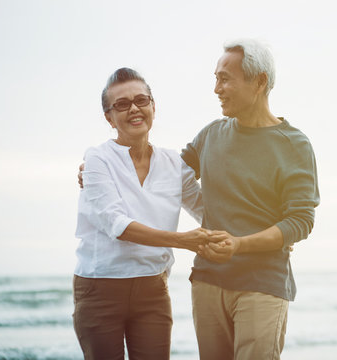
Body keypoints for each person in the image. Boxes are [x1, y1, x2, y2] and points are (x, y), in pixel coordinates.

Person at [182, 39, 320, 360]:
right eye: (216, 78)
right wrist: (107, 164)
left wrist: (239, 245)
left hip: (262, 284)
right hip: (207, 280)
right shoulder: (210, 135)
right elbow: (163, 175)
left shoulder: (294, 144)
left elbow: (300, 221)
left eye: (225, 79)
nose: (217, 89)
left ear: (259, 82)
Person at [73, 67, 210, 360]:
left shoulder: (174, 164)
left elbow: (207, 212)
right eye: (122, 104)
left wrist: (260, 234)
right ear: (109, 117)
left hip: (152, 290)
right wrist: (183, 240)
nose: (134, 108)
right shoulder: (97, 159)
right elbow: (117, 225)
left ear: (153, 106)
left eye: (141, 100)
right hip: (100, 289)